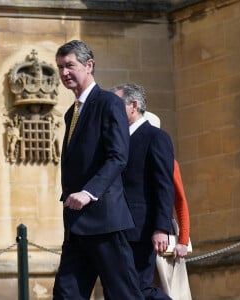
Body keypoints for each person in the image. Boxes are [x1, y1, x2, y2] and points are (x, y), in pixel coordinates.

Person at [53, 41, 144, 300]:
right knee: (66, 294)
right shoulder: (72, 112)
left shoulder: (109, 103)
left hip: (105, 220)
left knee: (123, 294)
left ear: (89, 65)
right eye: (60, 67)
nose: (64, 73)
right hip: (76, 223)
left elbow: (117, 157)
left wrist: (89, 192)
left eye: (70, 65)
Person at [110, 83, 174, 300]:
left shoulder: (156, 137)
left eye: (116, 104)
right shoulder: (116, 139)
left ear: (133, 106)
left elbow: (164, 186)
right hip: (114, 226)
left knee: (139, 287)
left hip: (140, 229)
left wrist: (161, 228)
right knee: (118, 289)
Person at [145, 111, 192, 300]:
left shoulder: (169, 162)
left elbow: (180, 201)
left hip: (164, 232)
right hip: (138, 233)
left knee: (169, 288)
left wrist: (183, 240)